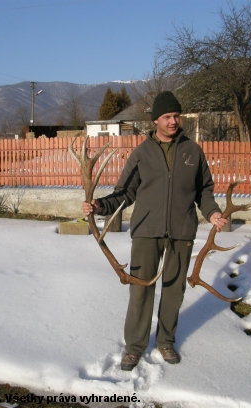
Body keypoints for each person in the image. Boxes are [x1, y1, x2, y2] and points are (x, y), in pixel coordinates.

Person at [82, 91, 227, 371]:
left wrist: (212, 211)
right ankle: (134, 347)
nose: (173, 121)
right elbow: (125, 193)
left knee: (174, 290)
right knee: (140, 290)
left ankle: (165, 342)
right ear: (156, 121)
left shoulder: (192, 151)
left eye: (176, 115)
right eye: (167, 117)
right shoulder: (142, 153)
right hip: (146, 231)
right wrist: (99, 205)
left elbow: (204, 191)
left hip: (182, 231)